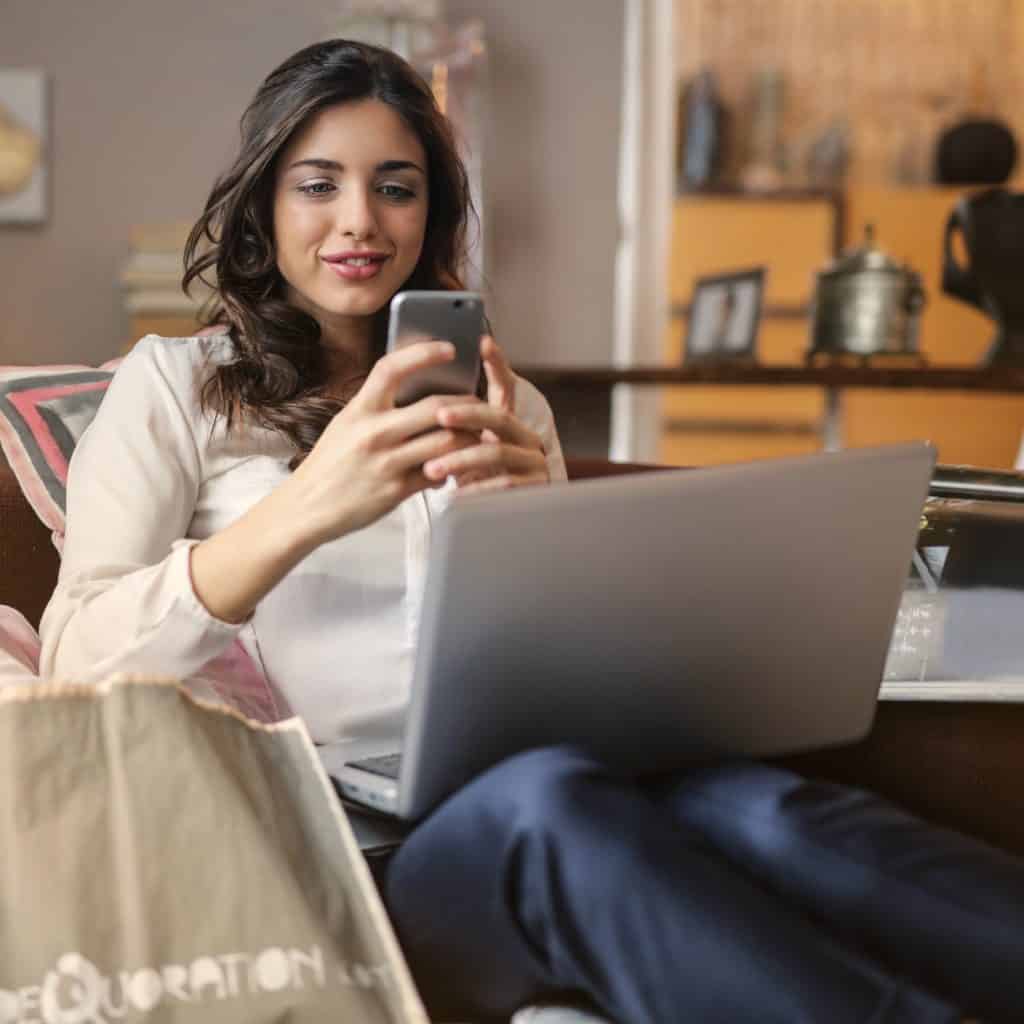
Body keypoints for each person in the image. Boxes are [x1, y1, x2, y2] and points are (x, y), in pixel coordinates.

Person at [39, 39, 1024, 1024]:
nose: (359, 221)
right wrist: (307, 504)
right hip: (352, 855)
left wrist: (530, 533)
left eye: (395, 187)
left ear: (431, 214)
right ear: (262, 206)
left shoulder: (506, 405)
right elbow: (75, 658)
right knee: (548, 806)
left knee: (763, 808)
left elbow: (571, 670)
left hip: (558, 778)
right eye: (317, 185)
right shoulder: (175, 389)